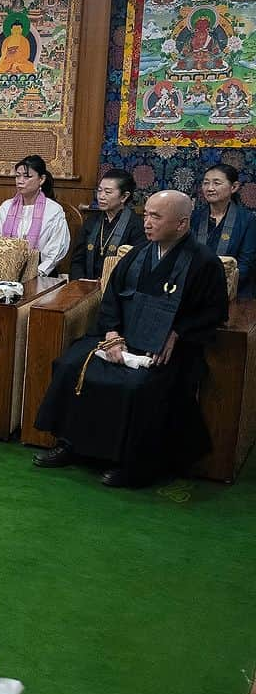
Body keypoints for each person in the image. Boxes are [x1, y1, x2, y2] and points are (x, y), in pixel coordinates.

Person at [33, 190, 228, 488]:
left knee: (139, 386)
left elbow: (214, 313)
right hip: (120, 338)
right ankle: (71, 443)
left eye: (156, 217)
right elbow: (111, 298)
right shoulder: (138, 252)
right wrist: (111, 334)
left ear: (182, 224)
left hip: (166, 350)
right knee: (71, 364)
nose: (147, 223)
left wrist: (179, 332)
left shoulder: (204, 262)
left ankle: (135, 464)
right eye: (146, 215)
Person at [0, 154, 70, 275]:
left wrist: (37, 272)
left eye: (27, 177)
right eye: (17, 176)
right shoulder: (6, 206)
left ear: (41, 179)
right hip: (5, 269)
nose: (20, 181)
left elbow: (57, 248)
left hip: (40, 272)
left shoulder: (53, 210)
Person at [190, 163, 256, 297]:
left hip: (233, 292)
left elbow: (246, 263)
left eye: (216, 183)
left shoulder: (247, 220)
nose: (210, 188)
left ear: (234, 187)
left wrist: (219, 284)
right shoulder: (195, 217)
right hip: (196, 288)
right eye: (206, 183)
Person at [70, 169, 146, 281]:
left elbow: (137, 266)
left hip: (116, 290)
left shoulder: (136, 226)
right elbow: (77, 260)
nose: (101, 196)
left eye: (108, 192)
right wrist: (80, 280)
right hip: (86, 286)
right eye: (99, 191)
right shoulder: (91, 222)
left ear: (124, 196)